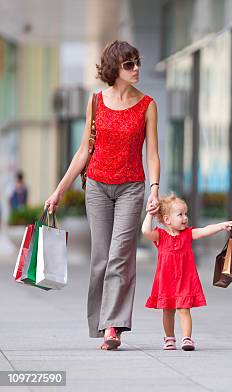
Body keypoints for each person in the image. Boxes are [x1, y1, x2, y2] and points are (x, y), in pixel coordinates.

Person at [44, 40, 161, 350]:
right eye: (129, 64)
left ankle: (113, 326)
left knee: (121, 256)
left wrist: (154, 189)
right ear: (114, 69)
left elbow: (152, 154)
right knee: (101, 258)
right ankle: (100, 322)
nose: (136, 69)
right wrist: (59, 191)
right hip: (96, 186)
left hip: (131, 188)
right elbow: (84, 150)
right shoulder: (96, 102)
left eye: (138, 62)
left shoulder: (147, 105)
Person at [141, 194, 232, 351]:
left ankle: (187, 338)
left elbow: (205, 230)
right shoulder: (161, 236)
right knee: (168, 310)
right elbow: (145, 231)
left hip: (185, 279)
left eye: (186, 214)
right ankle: (169, 338)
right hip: (166, 280)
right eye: (180, 214)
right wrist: (150, 214)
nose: (185, 218)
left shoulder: (188, 234)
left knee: (184, 308)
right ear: (167, 220)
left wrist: (221, 226)